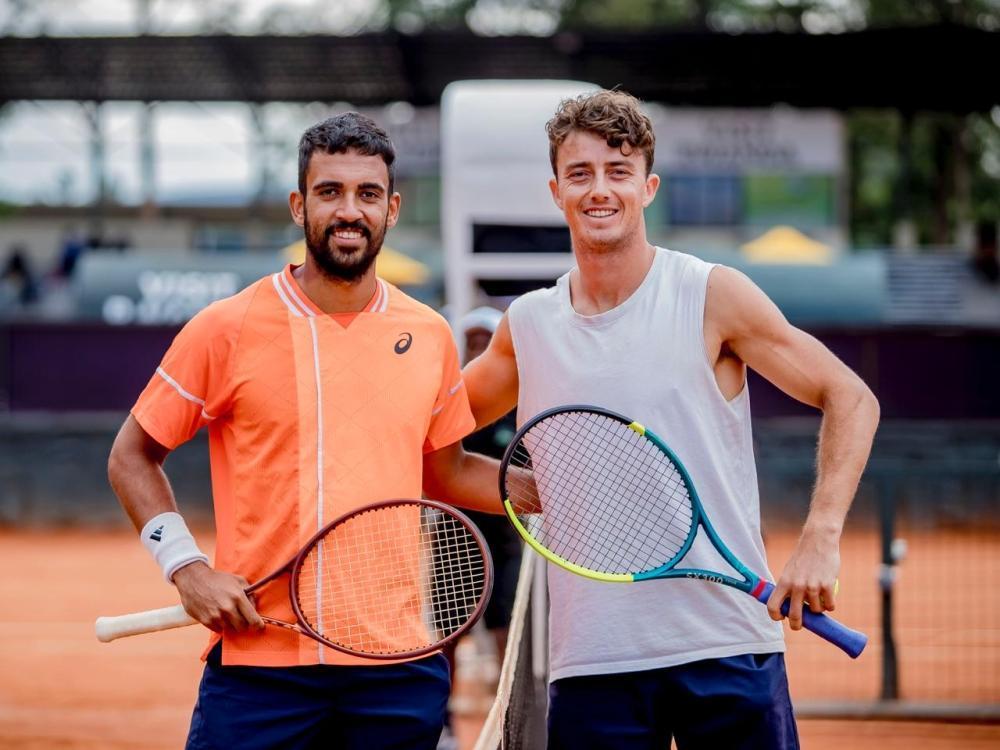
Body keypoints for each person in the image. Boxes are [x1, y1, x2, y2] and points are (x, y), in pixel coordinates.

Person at [462, 90, 880, 749]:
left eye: (618, 171)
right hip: (593, 661)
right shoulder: (528, 326)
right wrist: (511, 486)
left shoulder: (710, 294)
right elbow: (427, 438)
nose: (600, 190)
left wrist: (820, 537)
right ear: (556, 191)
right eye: (580, 174)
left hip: (727, 644)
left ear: (648, 187)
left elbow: (851, 396)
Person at [107, 112, 501, 750]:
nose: (349, 211)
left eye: (367, 194)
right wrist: (186, 568)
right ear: (299, 205)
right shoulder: (225, 327)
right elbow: (132, 455)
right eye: (330, 192)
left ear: (392, 209)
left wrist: (551, 492)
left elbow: (447, 471)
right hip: (260, 665)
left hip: (395, 665)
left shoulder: (430, 334)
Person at [439, 307, 521, 749]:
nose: (475, 347)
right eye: (469, 339)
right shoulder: (451, 401)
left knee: (507, 629)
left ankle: (510, 716)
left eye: (482, 339)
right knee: (448, 634)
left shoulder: (516, 404)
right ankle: (445, 723)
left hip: (506, 539)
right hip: (454, 537)